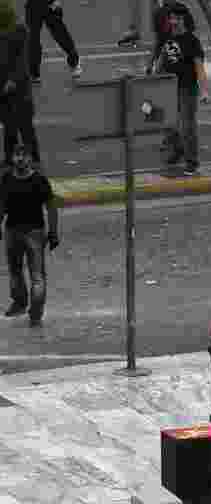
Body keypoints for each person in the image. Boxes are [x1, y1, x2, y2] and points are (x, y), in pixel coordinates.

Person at [0, 142, 58, 327]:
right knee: (15, 271)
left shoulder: (39, 181)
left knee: (37, 276)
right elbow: (1, 205)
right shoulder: (7, 179)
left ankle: (36, 313)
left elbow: (51, 207)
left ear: (30, 159)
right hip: (12, 231)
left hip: (35, 233)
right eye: (17, 155)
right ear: (12, 158)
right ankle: (20, 303)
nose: (20, 158)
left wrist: (53, 232)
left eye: (23, 155)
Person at [154, 6, 210, 176]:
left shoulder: (192, 41)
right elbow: (162, 58)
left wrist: (204, 91)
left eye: (178, 18)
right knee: (168, 123)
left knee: (188, 126)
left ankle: (192, 161)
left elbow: (199, 67)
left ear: (185, 20)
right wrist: (154, 77)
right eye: (172, 18)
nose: (174, 22)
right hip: (169, 87)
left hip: (187, 88)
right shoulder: (167, 38)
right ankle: (178, 149)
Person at [0, 5, 40, 169]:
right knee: (9, 126)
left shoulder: (20, 31)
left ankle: (34, 159)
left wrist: (12, 81)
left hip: (19, 89)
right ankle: (10, 159)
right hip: (4, 87)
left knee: (25, 127)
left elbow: (22, 61)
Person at [25, 0, 80, 84]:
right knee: (34, 38)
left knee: (59, 33)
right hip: (38, 4)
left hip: (44, 4)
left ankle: (74, 63)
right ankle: (34, 72)